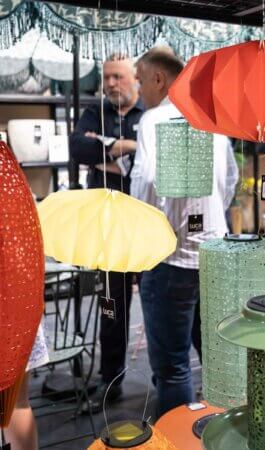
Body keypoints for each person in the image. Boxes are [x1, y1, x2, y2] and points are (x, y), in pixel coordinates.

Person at [131, 48, 238, 418]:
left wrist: (147, 234)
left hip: (170, 258)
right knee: (215, 355)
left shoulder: (154, 119)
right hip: (215, 255)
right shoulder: (209, 117)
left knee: (173, 365)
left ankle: (178, 438)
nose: (139, 90)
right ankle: (220, 430)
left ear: (159, 79)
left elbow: (146, 181)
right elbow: (229, 181)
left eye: (140, 81)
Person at [69, 55, 145, 412]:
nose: (111, 84)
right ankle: (110, 378)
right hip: (108, 227)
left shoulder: (149, 114)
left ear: (135, 79)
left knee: (158, 302)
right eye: (107, 77)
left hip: (145, 224)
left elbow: (149, 163)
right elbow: (76, 148)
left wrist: (102, 148)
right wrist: (123, 147)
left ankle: (170, 377)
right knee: (111, 305)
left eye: (118, 77)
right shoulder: (94, 111)